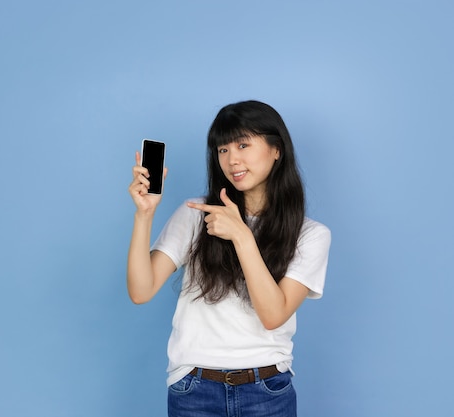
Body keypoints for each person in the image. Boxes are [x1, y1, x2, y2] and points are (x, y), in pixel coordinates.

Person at [127, 100, 331, 417]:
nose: (232, 159)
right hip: (193, 390)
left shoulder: (311, 234)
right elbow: (141, 291)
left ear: (277, 149)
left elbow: (273, 315)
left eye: (242, 144)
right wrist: (144, 215)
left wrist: (242, 236)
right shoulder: (196, 214)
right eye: (222, 149)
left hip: (267, 390)